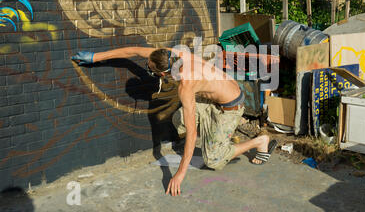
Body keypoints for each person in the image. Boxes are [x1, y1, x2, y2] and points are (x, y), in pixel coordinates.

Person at [71, 47, 277, 196]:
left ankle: (259, 142)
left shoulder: (186, 86)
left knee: (213, 159)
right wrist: (95, 57)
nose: (148, 70)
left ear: (163, 73)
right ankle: (219, 137)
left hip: (231, 107)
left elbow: (192, 134)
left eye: (151, 71)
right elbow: (131, 52)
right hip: (213, 96)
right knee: (180, 118)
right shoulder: (170, 54)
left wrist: (179, 173)